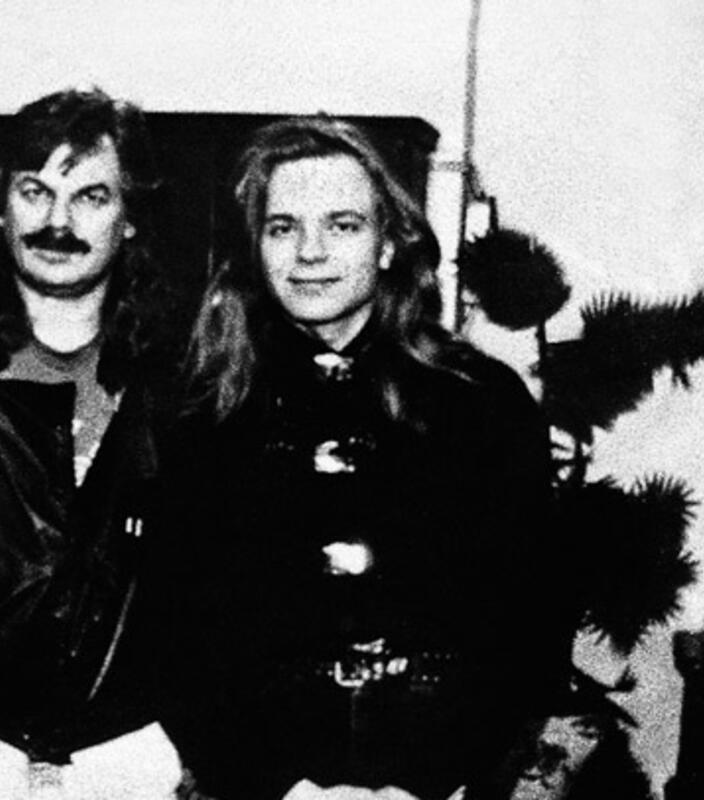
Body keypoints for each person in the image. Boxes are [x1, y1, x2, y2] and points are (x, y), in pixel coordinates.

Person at [153, 118, 572, 800]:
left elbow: (530, 625)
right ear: (256, 247)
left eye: (342, 225)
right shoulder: (205, 413)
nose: (309, 252)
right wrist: (268, 786)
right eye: (282, 227)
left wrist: (431, 782)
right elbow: (175, 634)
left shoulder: (481, 403)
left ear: (388, 244)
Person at [0, 87, 183, 799]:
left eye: (90, 197)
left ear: (130, 217)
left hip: (127, 752)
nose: (58, 222)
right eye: (36, 191)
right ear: (1, 207)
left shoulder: (185, 378)